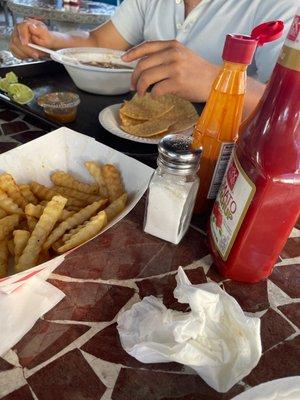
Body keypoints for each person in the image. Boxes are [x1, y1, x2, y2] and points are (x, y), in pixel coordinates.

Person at [9, 0, 298, 116]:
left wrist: (216, 81)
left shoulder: (281, 5)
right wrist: (49, 39)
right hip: (137, 141)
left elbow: (291, 109)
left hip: (222, 165)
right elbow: (99, 41)